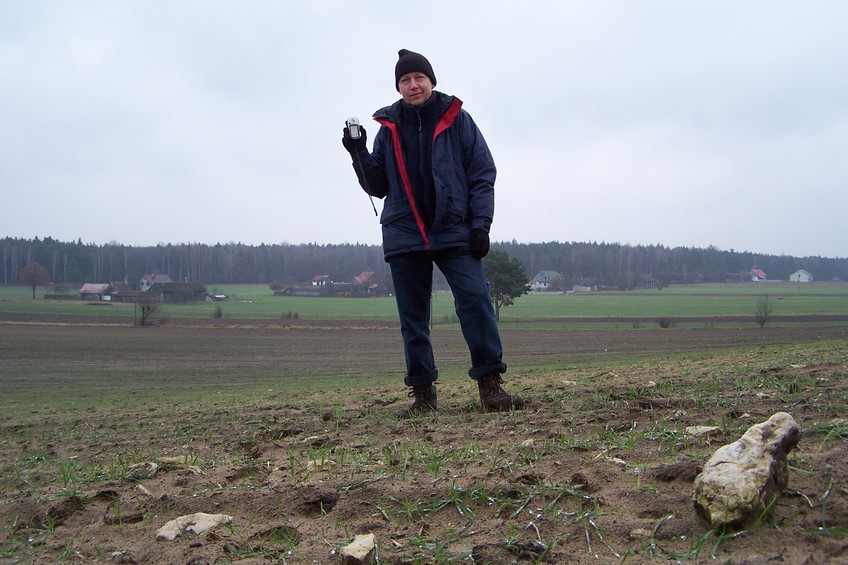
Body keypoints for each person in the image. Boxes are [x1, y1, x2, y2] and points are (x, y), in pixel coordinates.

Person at [342, 49, 524, 415]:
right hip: (405, 234)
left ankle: (490, 386)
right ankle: (423, 396)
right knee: (413, 319)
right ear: (399, 86)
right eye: (405, 80)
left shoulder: (458, 120)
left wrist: (480, 225)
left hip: (455, 231)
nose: (413, 85)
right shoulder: (387, 128)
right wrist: (357, 150)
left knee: (475, 302)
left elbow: (482, 174)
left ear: (431, 81)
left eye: (418, 78)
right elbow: (378, 185)